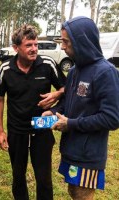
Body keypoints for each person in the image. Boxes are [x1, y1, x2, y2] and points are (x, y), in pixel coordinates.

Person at [42, 16, 119, 199]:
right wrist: (53, 112)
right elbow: (68, 102)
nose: (62, 47)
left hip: (88, 155)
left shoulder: (106, 72)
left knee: (81, 195)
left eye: (66, 42)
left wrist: (71, 124)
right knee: (73, 191)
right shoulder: (74, 70)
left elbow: (112, 118)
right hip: (71, 150)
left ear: (81, 41)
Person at [0, 24, 66, 200]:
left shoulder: (47, 64)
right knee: (18, 177)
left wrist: (57, 93)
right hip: (17, 130)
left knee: (44, 178)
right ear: (16, 48)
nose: (34, 49)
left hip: (42, 126)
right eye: (29, 45)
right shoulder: (6, 69)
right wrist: (0, 131)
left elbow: (66, 88)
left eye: (36, 44)